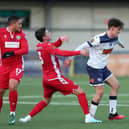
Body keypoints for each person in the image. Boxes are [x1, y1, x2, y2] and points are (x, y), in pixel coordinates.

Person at [19, 27, 102, 124]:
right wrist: (79, 52)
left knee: (46, 100)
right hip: (55, 78)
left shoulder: (40, 46)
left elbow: (54, 46)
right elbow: (61, 53)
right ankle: (88, 117)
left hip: (46, 79)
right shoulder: (48, 46)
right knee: (80, 92)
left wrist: (60, 40)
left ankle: (28, 117)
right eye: (47, 32)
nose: (49, 33)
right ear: (44, 37)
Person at [63, 18, 125, 121]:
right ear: (112, 28)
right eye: (118, 29)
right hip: (94, 68)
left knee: (116, 85)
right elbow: (82, 46)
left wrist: (120, 44)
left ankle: (112, 113)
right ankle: (90, 117)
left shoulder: (115, 37)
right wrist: (70, 58)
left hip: (103, 67)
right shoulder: (98, 39)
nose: (119, 32)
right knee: (100, 92)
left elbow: (117, 40)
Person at [0, 16, 29, 125]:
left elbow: (25, 49)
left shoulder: (21, 35)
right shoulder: (1, 33)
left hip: (17, 65)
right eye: (19, 24)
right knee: (0, 92)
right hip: (4, 66)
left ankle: (12, 113)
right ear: (12, 24)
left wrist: (13, 53)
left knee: (12, 85)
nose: (21, 26)